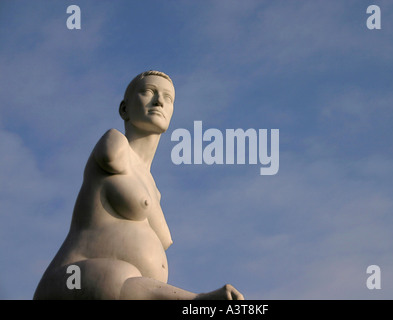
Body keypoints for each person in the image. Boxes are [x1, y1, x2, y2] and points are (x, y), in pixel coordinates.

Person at [33, 70, 244, 300]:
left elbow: (165, 238)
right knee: (118, 274)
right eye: (148, 92)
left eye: (168, 98)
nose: (159, 101)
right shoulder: (115, 142)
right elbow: (110, 157)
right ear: (124, 109)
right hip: (70, 279)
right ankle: (197, 300)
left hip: (126, 289)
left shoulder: (153, 189)